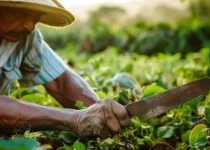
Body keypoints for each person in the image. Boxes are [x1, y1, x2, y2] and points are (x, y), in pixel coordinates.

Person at [0, 0, 130, 138]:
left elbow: (60, 82)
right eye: (21, 13)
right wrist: (74, 118)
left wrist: (104, 113)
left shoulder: (24, 37)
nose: (30, 26)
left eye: (36, 17)